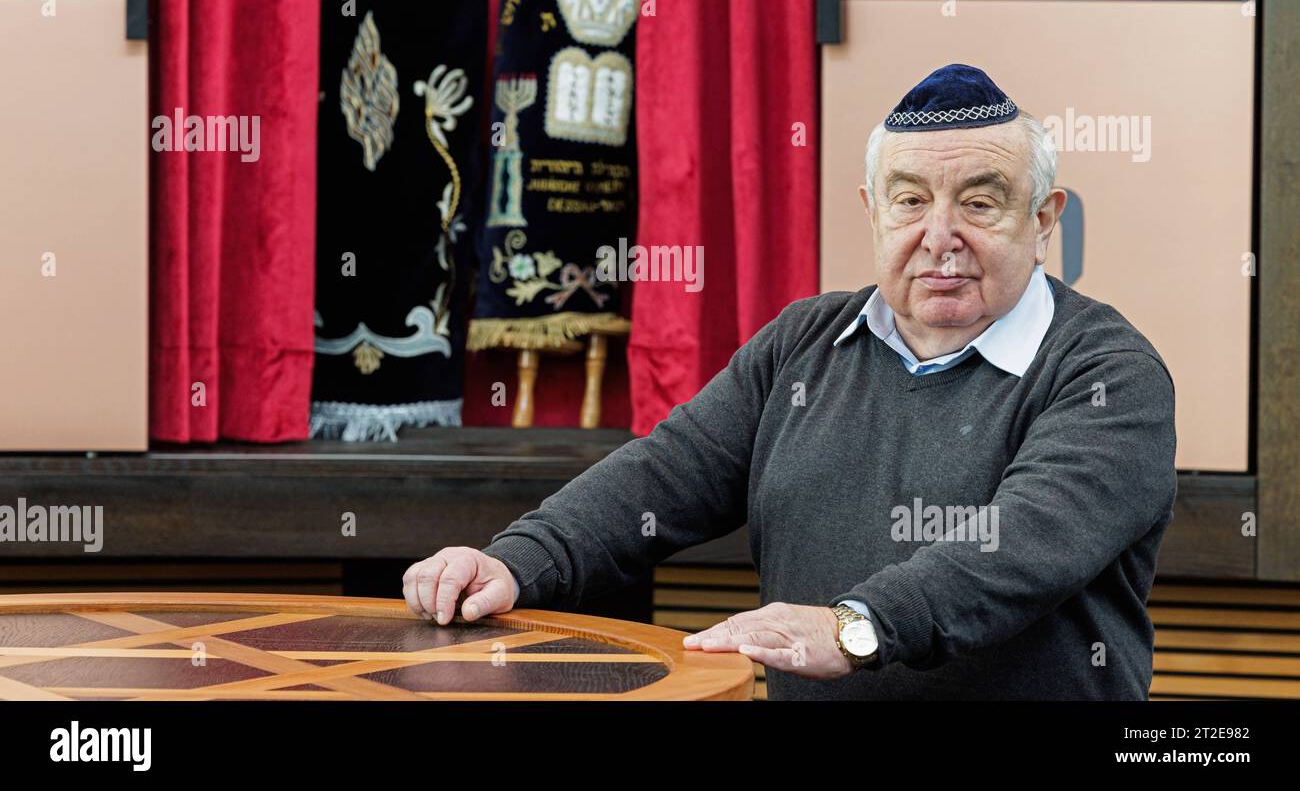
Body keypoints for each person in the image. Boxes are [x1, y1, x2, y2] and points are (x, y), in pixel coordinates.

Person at [403, 63, 1177, 699]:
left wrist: (855, 625)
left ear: (1045, 220)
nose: (941, 236)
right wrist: (516, 560)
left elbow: (1016, 547)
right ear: (873, 213)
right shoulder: (803, 342)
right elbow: (665, 474)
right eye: (910, 200)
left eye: (980, 202)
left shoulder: (1108, 373)